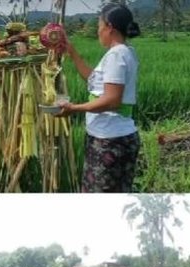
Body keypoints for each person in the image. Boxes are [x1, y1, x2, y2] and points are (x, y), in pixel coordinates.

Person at [56, 3, 141, 193]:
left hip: (110, 142)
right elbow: (94, 81)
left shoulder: (116, 56)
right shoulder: (126, 51)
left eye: (99, 27)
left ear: (109, 27)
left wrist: (73, 108)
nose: (98, 32)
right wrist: (72, 53)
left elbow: (112, 100)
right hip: (113, 138)